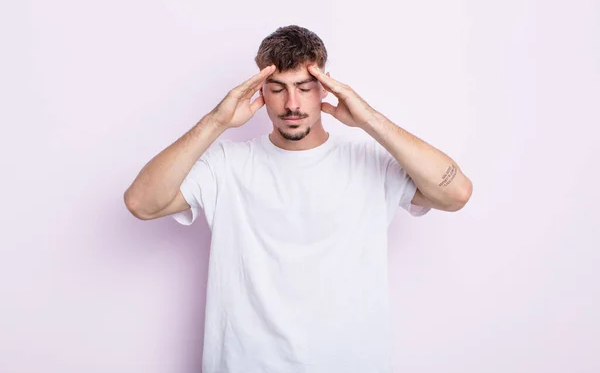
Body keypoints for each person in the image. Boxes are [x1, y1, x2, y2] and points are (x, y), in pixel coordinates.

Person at [124, 25, 472, 373]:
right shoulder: (227, 165)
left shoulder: (370, 162)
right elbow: (142, 202)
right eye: (277, 89)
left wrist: (369, 120)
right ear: (261, 91)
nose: (292, 104)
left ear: (325, 87)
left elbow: (455, 193)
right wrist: (217, 121)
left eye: (304, 88)